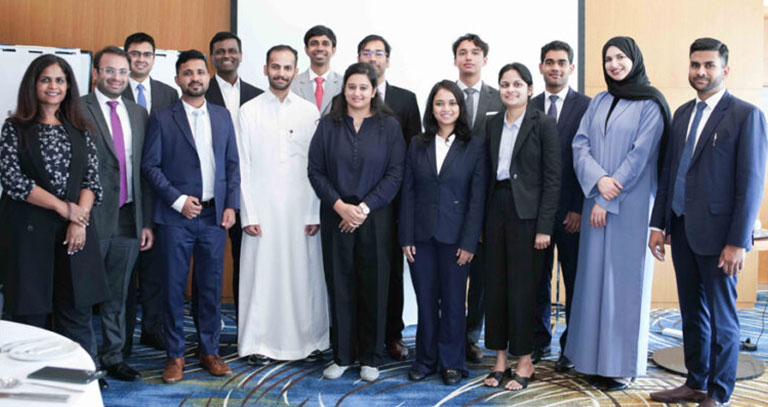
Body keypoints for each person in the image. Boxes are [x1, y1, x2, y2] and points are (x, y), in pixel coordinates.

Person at [649, 38, 767, 407]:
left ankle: (718, 392)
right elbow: (669, 174)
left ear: (725, 70)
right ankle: (695, 382)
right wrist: (658, 225)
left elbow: (751, 185)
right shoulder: (682, 114)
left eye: (709, 65)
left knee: (722, 319)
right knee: (691, 314)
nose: (701, 72)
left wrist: (737, 242)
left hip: (721, 238)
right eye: (695, 65)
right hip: (682, 230)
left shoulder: (746, 115)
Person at [566, 36, 669, 391]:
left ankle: (621, 367)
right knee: (593, 282)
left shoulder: (652, 103)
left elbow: (641, 156)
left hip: (630, 207)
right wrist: (598, 182)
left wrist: (607, 196)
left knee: (623, 286)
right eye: (608, 58)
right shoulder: (599, 101)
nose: (614, 64)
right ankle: (592, 361)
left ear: (634, 59)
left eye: (621, 57)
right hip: (595, 199)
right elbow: (580, 144)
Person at [0, 55, 107, 381]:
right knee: (31, 314)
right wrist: (64, 209)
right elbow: (14, 181)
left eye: (60, 80)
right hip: (29, 236)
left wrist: (77, 221)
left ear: (68, 86)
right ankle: (26, 383)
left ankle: (82, 382)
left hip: (75, 235)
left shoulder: (81, 129)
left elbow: (92, 182)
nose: (53, 86)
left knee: (76, 313)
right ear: (33, 85)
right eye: (46, 79)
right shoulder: (15, 127)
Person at [142, 50, 240, 384]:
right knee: (172, 288)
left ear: (208, 77)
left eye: (200, 72)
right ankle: (175, 355)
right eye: (187, 73)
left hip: (214, 217)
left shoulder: (223, 116)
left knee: (210, 287)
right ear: (177, 79)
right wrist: (178, 200)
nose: (194, 78)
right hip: (176, 218)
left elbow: (232, 164)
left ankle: (209, 351)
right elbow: (150, 167)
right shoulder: (162, 117)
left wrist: (231, 205)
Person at [308, 62, 405, 382]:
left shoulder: (389, 126)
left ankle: (371, 357)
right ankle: (343, 355)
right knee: (340, 285)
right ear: (344, 89)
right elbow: (315, 171)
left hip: (375, 218)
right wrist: (340, 206)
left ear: (374, 91)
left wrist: (362, 209)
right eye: (352, 87)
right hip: (336, 216)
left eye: (364, 87)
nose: (357, 93)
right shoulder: (328, 125)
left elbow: (395, 174)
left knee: (374, 287)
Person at [236, 45, 328, 366]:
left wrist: (314, 211)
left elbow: (316, 167)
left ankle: (310, 342)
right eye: (275, 67)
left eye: (287, 68)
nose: (281, 73)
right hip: (261, 211)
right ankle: (258, 344)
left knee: (304, 276)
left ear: (295, 71)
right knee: (261, 277)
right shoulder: (248, 111)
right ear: (265, 69)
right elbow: (242, 166)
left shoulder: (308, 112)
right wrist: (249, 213)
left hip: (301, 211)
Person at [399, 80, 487, 385]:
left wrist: (469, 242)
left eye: (451, 103)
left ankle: (452, 363)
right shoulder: (417, 143)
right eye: (439, 103)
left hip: (457, 238)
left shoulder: (474, 146)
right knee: (425, 300)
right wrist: (405, 236)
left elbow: (477, 198)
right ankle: (425, 360)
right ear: (431, 108)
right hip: (421, 237)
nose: (445, 109)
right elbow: (408, 192)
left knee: (452, 302)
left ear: (460, 108)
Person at [482, 63, 560, 391]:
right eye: (504, 84)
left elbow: (553, 179)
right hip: (495, 209)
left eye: (516, 84)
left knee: (524, 290)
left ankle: (525, 360)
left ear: (529, 89)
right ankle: (500, 359)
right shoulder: (491, 123)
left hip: (528, 217)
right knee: (496, 288)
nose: (510, 90)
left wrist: (545, 227)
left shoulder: (543, 123)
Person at [81, 46, 151, 382]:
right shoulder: (77, 108)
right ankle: (83, 360)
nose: (117, 78)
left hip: (129, 216)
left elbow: (144, 170)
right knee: (81, 295)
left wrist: (146, 221)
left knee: (118, 293)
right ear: (96, 72)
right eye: (109, 71)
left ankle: (113, 356)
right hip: (89, 217)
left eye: (123, 72)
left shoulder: (138, 113)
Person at [357, 34, 421, 360]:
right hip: (356, 200)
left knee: (393, 270)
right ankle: (360, 334)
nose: (373, 58)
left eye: (379, 53)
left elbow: (414, 153)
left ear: (388, 60)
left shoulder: (405, 100)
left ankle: (393, 334)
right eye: (366, 52)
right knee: (359, 268)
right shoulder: (348, 97)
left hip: (394, 200)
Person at [530, 40, 591, 369]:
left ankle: (573, 346)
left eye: (561, 62)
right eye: (550, 62)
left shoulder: (588, 106)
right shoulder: (528, 105)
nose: (555, 67)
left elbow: (590, 159)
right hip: (536, 214)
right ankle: (538, 341)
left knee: (575, 282)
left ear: (571, 67)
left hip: (572, 213)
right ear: (541, 67)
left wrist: (579, 206)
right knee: (536, 281)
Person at [120, 31, 180, 354]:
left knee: (157, 270)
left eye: (146, 54)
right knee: (125, 272)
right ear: (126, 56)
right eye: (134, 53)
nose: (140, 59)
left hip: (158, 193)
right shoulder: (114, 89)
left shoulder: (169, 93)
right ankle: (122, 337)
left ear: (154, 58)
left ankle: (152, 329)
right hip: (125, 194)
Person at [203, 31, 263, 327]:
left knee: (247, 263)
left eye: (231, 50)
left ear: (240, 55)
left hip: (249, 191)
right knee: (209, 267)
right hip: (212, 191)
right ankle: (209, 332)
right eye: (220, 51)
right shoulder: (199, 92)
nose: (226, 55)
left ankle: (245, 327)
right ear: (211, 57)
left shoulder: (258, 95)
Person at [452, 33, 504, 363]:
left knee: (481, 278)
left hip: (487, 201)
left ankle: (471, 336)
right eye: (462, 52)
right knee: (450, 276)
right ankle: (450, 333)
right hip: (449, 200)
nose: (468, 57)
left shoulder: (500, 98)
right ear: (455, 59)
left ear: (485, 59)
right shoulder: (444, 96)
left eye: (475, 52)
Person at [291, 25, 342, 116]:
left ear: (333, 50)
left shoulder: (344, 84)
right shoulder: (293, 84)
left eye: (325, 44)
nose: (319, 48)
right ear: (306, 50)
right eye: (314, 43)